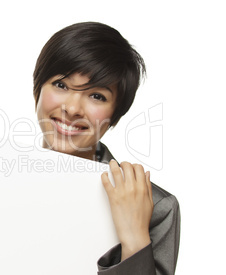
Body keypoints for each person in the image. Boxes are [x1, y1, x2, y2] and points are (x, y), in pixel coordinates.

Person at [33, 22, 180, 274]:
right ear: (37, 88)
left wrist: (134, 240)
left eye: (97, 96)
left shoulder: (158, 207)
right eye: (61, 85)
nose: (72, 108)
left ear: (115, 115)